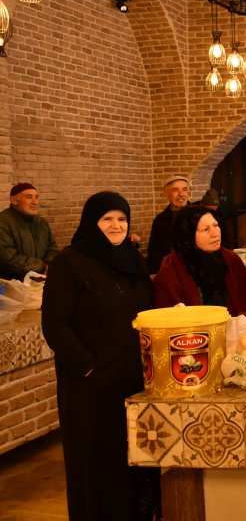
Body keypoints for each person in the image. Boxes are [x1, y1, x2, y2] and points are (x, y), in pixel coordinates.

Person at [41, 191, 157, 521]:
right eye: (107, 218)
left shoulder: (133, 260)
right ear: (92, 222)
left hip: (133, 383)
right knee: (97, 466)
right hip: (90, 389)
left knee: (132, 463)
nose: (116, 225)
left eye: (122, 218)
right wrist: (87, 366)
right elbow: (55, 324)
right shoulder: (69, 263)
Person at [153, 205, 246, 315]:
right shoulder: (171, 272)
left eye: (216, 225)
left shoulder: (231, 260)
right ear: (188, 235)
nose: (215, 234)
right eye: (206, 229)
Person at [0, 182, 59, 280]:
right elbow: (6, 258)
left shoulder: (41, 223)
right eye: (29, 197)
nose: (35, 202)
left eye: (36, 197)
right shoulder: (3, 222)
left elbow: (52, 248)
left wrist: (49, 266)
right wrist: (41, 268)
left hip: (41, 279)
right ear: (14, 200)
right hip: (13, 283)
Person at [147, 175, 191, 274]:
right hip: (171, 271)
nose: (181, 194)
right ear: (166, 194)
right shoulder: (159, 220)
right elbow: (153, 251)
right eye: (175, 190)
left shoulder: (200, 215)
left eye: (184, 189)